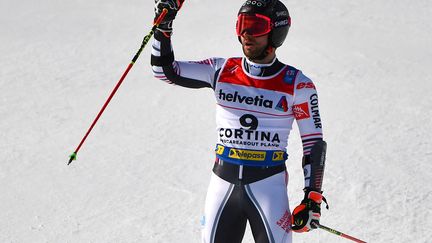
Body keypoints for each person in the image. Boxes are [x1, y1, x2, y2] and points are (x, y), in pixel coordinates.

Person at [151, 0, 327, 242]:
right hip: (223, 180)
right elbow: (164, 71)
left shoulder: (298, 83)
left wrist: (312, 197)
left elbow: (313, 144)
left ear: (276, 31)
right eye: (242, 25)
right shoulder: (221, 70)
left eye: (255, 26)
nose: (246, 34)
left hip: (268, 184)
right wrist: (163, 27)